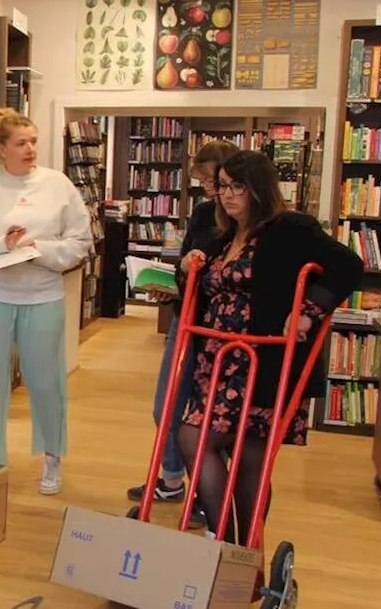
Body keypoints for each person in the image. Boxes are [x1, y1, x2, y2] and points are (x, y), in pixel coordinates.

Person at [177, 150, 361, 544]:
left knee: (247, 461)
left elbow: (349, 265)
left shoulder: (290, 228)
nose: (226, 195)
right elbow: (208, 291)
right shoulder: (223, 237)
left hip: (261, 361)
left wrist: (308, 311)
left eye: (237, 187)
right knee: (193, 439)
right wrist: (188, 266)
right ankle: (227, 545)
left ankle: (242, 551)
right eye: (222, 186)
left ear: (259, 189)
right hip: (216, 359)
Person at [0, 107, 93, 494]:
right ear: (1, 149)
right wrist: (3, 244)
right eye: (21, 143)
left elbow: (80, 242)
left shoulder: (58, 184)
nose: (30, 149)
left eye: (33, 141)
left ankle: (52, 457)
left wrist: (38, 250)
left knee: (47, 383)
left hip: (42, 295)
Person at [127, 139, 240, 528]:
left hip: (220, 327)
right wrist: (171, 282)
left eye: (215, 182)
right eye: (207, 183)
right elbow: (186, 263)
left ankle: (204, 494)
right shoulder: (204, 213)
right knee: (167, 405)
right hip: (186, 315)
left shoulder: (247, 222)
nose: (211, 190)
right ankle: (173, 481)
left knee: (210, 415)